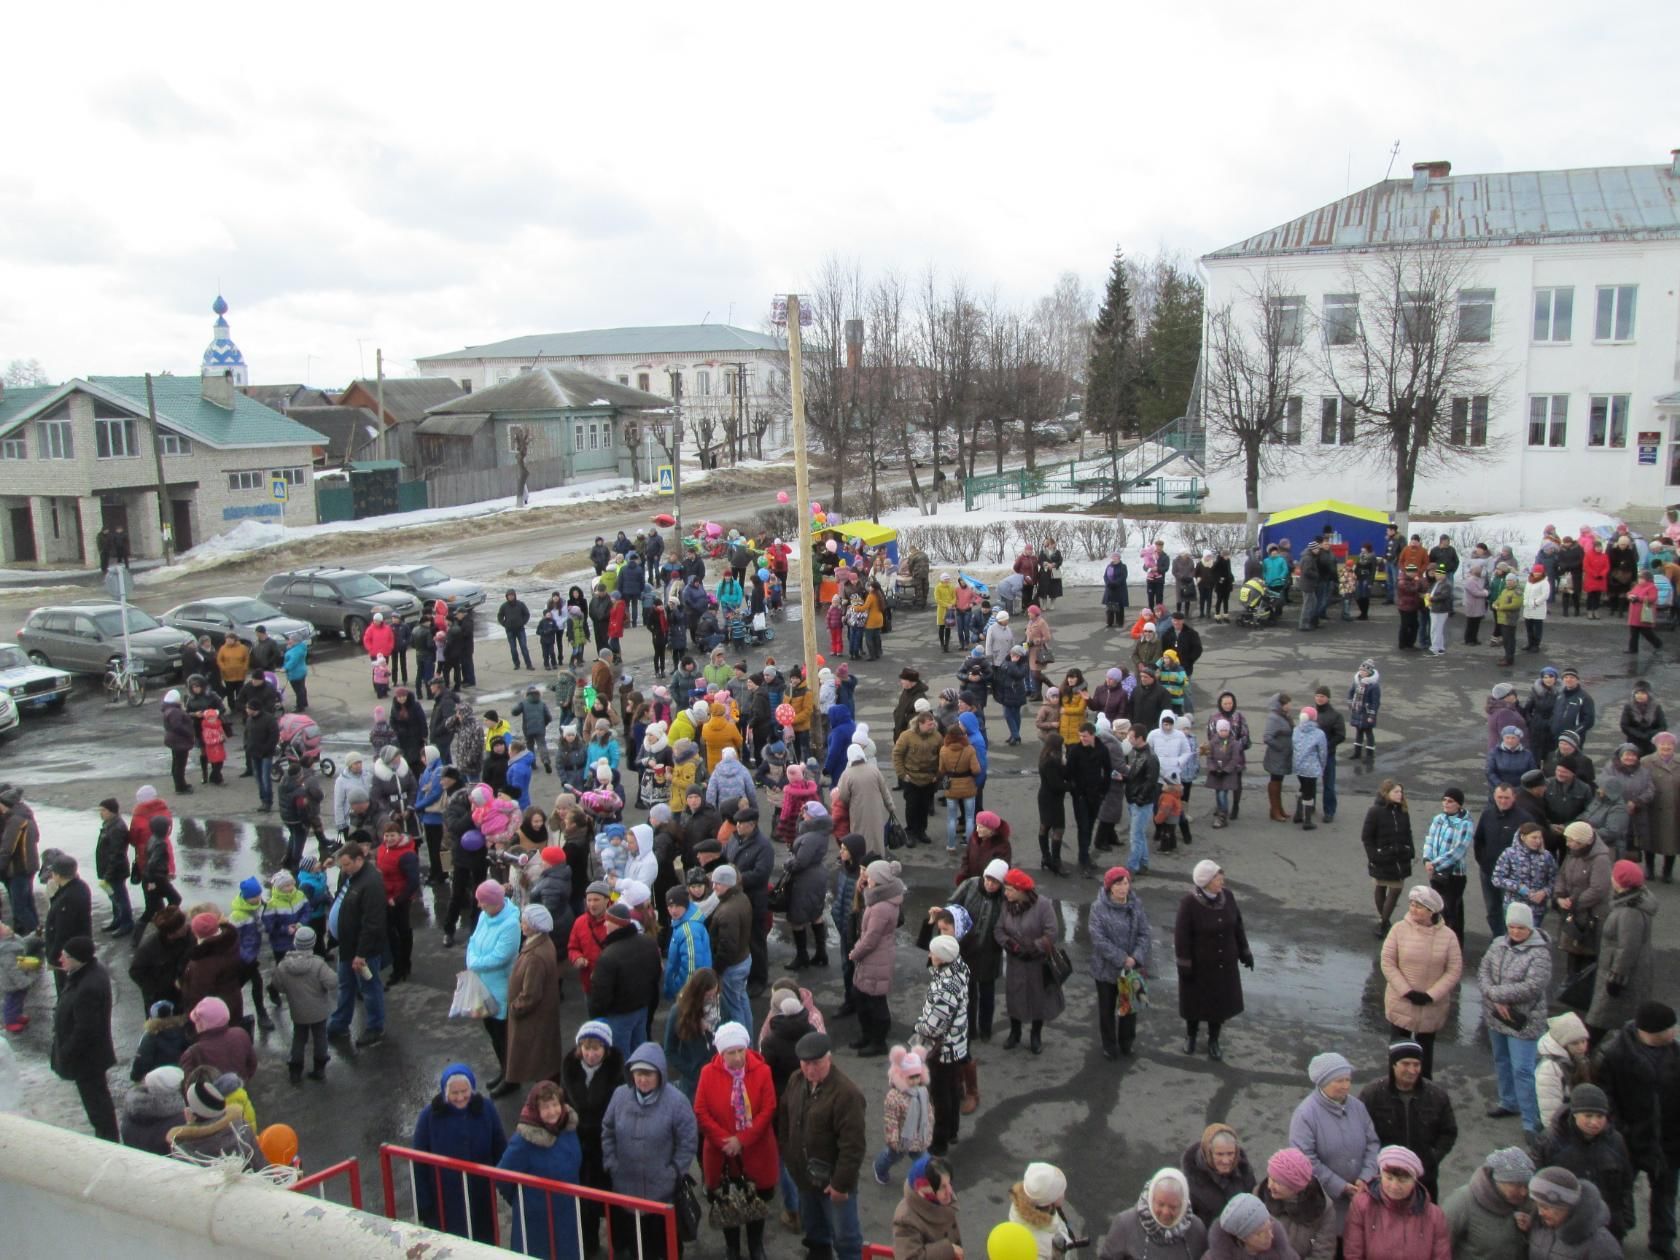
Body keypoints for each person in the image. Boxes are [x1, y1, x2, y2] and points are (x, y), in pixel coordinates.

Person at [694, 1021, 778, 1260]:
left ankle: (756, 1246)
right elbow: (701, 1111)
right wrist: (725, 1140)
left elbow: (768, 1109)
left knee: (756, 1200)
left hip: (756, 1150)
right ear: (721, 1053)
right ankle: (732, 1247)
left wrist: (741, 1140)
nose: (738, 1057)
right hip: (722, 1154)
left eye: (741, 1050)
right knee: (725, 1199)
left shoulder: (762, 1071)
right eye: (731, 1052)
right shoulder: (708, 1074)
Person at [779, 1032, 867, 1260]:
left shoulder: (847, 1094)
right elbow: (785, 1120)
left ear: (829, 1059)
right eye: (805, 1063)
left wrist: (840, 1185)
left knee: (845, 1239)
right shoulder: (796, 1081)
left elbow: (853, 1147)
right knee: (815, 1231)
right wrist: (789, 1158)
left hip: (833, 1184)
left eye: (816, 1063)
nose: (810, 1070)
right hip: (804, 1178)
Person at [1479, 901, 1552, 1140]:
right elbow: (1483, 972)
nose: (1515, 932)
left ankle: (1531, 1121)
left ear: (1530, 927)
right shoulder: (1497, 945)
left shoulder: (1540, 953)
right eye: (1511, 927)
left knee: (1523, 1069)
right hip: (1497, 1016)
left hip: (1525, 1020)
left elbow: (1533, 986)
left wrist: (1496, 995)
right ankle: (1508, 1101)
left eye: (1520, 928)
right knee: (1501, 1060)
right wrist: (1494, 996)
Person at [1288, 1051, 1380, 1237]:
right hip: (1327, 1204)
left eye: (1347, 1079)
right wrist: (1341, 1186)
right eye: (1338, 1081)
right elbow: (1306, 1161)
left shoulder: (1357, 1107)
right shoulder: (1306, 1115)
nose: (1345, 1086)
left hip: (1364, 1196)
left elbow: (1373, 1143)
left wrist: (1366, 1177)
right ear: (1322, 1082)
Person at [412, 1063, 508, 1239]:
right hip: (443, 1199)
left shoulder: (486, 1109)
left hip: (480, 1195)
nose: (460, 1097)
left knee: (482, 1241)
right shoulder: (429, 1116)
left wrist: (508, 1186)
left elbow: (500, 1147)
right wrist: (423, 1202)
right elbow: (419, 1162)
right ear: (445, 1092)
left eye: (464, 1091)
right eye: (454, 1093)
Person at [1534, 1083, 1636, 1242]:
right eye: (1588, 1116)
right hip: (1566, 1223)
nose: (1595, 1122)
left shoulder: (1616, 1141)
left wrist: (1625, 1218)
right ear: (1574, 1114)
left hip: (1607, 1223)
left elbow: (1626, 1183)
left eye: (1600, 1116)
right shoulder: (1551, 1142)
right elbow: (1537, 1184)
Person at [1359, 1039, 1457, 1203]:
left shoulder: (1437, 1095)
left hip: (1424, 1179)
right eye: (1406, 1064)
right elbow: (1360, 1133)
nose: (1412, 1070)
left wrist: (1432, 1157)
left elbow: (1448, 1132)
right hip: (1384, 1178)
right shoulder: (1372, 1094)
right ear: (1393, 1064)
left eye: (1416, 1064)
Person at [1379, 887, 1462, 1078]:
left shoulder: (1448, 936)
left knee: (1426, 1049)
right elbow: (1388, 962)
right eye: (1412, 904)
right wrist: (1406, 991)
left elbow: (1454, 969)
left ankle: (1424, 1087)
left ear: (1432, 911)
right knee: (1398, 1049)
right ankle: (1395, 1085)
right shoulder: (1398, 929)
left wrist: (1431, 995)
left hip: (1432, 1005)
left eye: (1419, 906)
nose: (1413, 909)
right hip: (1401, 1001)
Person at [497, 1081, 584, 1260]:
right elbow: (503, 1176)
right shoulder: (524, 1141)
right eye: (546, 1107)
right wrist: (522, 1200)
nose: (552, 1112)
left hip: (567, 1213)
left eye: (555, 1105)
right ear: (536, 1110)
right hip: (537, 1220)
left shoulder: (567, 1128)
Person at [561, 1021, 626, 1257]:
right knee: (584, 1204)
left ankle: (620, 1246)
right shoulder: (569, 1070)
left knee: (614, 1203)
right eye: (586, 1048)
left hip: (606, 1148)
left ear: (606, 1050)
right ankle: (588, 1245)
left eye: (596, 1049)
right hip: (578, 1149)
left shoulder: (616, 1075)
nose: (590, 1054)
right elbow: (564, 1105)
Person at [1175, 860, 1250, 1062]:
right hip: (1199, 966)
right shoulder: (1188, 903)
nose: (1221, 881)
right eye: (1217, 878)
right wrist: (1184, 964)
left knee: (1219, 1005)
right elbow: (1182, 937)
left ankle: (1213, 1040)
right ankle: (1191, 1035)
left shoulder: (1228, 897)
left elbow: (1238, 925)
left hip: (1224, 964)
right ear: (1206, 881)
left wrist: (1245, 951)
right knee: (1194, 1003)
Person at [49, 935, 118, 1141]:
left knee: (97, 1104)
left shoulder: (88, 986)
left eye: (66, 956)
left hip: (88, 1058)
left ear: (78, 958)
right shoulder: (84, 974)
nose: (61, 959)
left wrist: (66, 1052)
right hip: (89, 1056)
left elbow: (86, 1029)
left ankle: (108, 1141)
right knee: (97, 1100)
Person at [325, 841, 388, 1049]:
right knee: (345, 986)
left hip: (364, 951)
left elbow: (373, 923)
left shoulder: (371, 883)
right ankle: (339, 1024)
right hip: (347, 945)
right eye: (341, 866)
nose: (343, 870)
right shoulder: (350, 876)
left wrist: (361, 954)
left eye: (346, 865)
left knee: (370, 989)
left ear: (359, 860)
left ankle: (375, 1027)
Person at [1585, 858, 1656, 1041]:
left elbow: (1627, 948)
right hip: (1618, 973)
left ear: (1621, 881)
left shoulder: (1629, 912)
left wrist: (1616, 977)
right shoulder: (1631, 903)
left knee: (1598, 1026)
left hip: (1618, 978)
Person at [1339, 1144, 1449, 1259]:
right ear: (1380, 1175)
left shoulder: (1435, 1216)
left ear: (1414, 1181)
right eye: (1389, 1178)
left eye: (1403, 1180)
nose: (1394, 1186)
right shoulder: (1362, 1206)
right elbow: (1353, 1253)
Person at [995, 868, 1062, 1055]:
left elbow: (1052, 932)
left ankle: (1036, 1035)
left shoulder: (1043, 906)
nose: (1006, 893)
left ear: (1021, 890)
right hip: (1016, 962)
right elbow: (998, 930)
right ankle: (1014, 1033)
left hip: (1037, 962)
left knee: (1037, 998)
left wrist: (1034, 947)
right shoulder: (1006, 906)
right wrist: (1011, 946)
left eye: (1009, 890)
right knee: (1014, 997)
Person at [1089, 866, 1150, 1061]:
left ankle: (1127, 1043)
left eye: (1126, 883)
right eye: (1119, 884)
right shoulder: (1098, 908)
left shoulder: (1135, 904)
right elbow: (1098, 940)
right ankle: (1109, 1045)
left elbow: (1145, 933)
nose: (1124, 888)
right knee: (1106, 1010)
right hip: (1106, 970)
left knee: (1129, 1008)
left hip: (1131, 969)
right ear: (1109, 887)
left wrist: (1136, 957)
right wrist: (1123, 959)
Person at [587, 901, 662, 1056]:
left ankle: (626, 1080)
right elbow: (656, 975)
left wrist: (596, 1017)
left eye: (608, 921)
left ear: (618, 924)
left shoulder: (609, 955)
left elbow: (601, 994)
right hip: (642, 1009)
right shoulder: (648, 943)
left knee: (620, 1058)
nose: (605, 925)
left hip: (619, 1014)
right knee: (640, 1052)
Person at [505, 902, 564, 1092]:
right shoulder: (543, 942)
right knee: (545, 1058)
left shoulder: (535, 956)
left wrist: (514, 1007)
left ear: (533, 925)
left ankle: (545, 1096)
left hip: (534, 1020)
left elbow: (531, 994)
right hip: (543, 1016)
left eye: (524, 921)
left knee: (538, 1061)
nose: (521, 924)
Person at [851, 859, 906, 1056]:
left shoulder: (880, 906)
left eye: (870, 876)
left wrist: (855, 953)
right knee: (864, 997)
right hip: (875, 956)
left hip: (876, 957)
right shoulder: (879, 899)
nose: (867, 879)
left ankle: (878, 1041)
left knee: (874, 1000)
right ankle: (869, 1036)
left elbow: (870, 939)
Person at [1442, 1146, 1535, 1260]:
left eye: (1527, 1185)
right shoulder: (1462, 1202)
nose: (1524, 1192)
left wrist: (1530, 1230)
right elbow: (1440, 1247)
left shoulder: (1525, 1202)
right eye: (1517, 1185)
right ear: (1498, 1180)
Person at [1098, 1166, 1207, 1260]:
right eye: (1160, 1204)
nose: (1165, 1212)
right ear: (1151, 1198)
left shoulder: (1196, 1229)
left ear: (1183, 1205)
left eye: (1173, 1207)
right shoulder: (1125, 1224)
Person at [272, 925, 335, 1083]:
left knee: (299, 1038)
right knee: (320, 1037)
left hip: (297, 1010)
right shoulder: (318, 964)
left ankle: (295, 1070)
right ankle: (319, 1068)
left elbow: (278, 986)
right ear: (313, 943)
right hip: (319, 1010)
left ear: (295, 942)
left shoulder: (283, 965)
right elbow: (332, 982)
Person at [1553, 821, 1612, 986]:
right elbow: (1562, 876)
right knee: (1572, 948)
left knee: (1588, 951)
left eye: (1571, 840)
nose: (1567, 844)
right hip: (1573, 910)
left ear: (1582, 841)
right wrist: (1559, 896)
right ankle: (1570, 980)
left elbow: (1599, 889)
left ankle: (1584, 986)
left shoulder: (1601, 859)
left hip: (1591, 913)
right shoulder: (1573, 853)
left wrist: (1574, 902)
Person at [1257, 1147, 1337, 1260]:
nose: (1270, 1186)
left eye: (1278, 1182)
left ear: (1296, 1187)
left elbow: (1322, 1254)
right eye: (1270, 1177)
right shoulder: (1259, 1195)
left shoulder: (1323, 1208)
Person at [1524, 1166, 1621, 1259]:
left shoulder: (1601, 1244)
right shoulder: (1538, 1227)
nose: (1540, 1213)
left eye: (1545, 1207)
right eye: (1538, 1205)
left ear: (1566, 1205)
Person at [1361, 781, 1415, 937]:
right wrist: (1374, 856)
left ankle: (1383, 922)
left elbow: (1408, 832)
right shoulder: (1375, 812)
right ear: (1386, 793)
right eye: (1396, 791)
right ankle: (1384, 922)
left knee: (1396, 889)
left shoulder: (1403, 811)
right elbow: (1366, 837)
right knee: (1381, 887)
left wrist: (1410, 850)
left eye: (1401, 791)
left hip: (1400, 858)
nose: (1400, 794)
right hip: (1382, 857)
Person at [1181, 1122, 1255, 1229]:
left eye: (1230, 1153)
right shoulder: (1190, 1184)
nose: (1226, 1161)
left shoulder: (1245, 1172)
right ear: (1208, 1152)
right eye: (1219, 1154)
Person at [661, 966, 720, 1099]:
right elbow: (669, 1050)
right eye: (708, 995)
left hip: (719, 1074)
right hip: (694, 1083)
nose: (712, 999)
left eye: (714, 994)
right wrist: (691, 1071)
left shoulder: (721, 1005)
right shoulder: (678, 1012)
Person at [892, 1155, 962, 1260]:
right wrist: (949, 1249)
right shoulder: (906, 1220)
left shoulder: (940, 1198)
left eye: (949, 1183)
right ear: (922, 1192)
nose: (950, 1191)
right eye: (942, 1187)